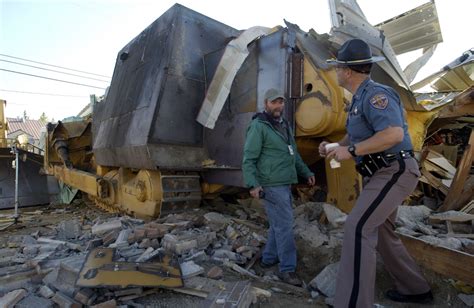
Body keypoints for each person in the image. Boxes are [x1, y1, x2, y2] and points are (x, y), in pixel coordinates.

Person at [320, 39, 433, 307]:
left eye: (337, 67)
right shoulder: (359, 99)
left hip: (395, 170)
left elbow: (392, 134)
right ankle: (414, 289)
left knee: (358, 227)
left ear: (347, 71)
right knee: (380, 231)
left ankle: (353, 303)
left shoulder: (376, 95)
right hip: (382, 172)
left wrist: (355, 150)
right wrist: (337, 146)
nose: (335, 71)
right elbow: (357, 134)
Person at [242, 88, 315, 286]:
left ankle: (268, 259)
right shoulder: (259, 126)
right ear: (266, 104)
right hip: (271, 185)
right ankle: (287, 269)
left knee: (277, 225)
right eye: (274, 102)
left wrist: (306, 172)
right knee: (284, 226)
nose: (278, 106)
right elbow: (249, 158)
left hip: (284, 183)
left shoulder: (284, 125)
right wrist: (253, 184)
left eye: (281, 102)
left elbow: (294, 154)